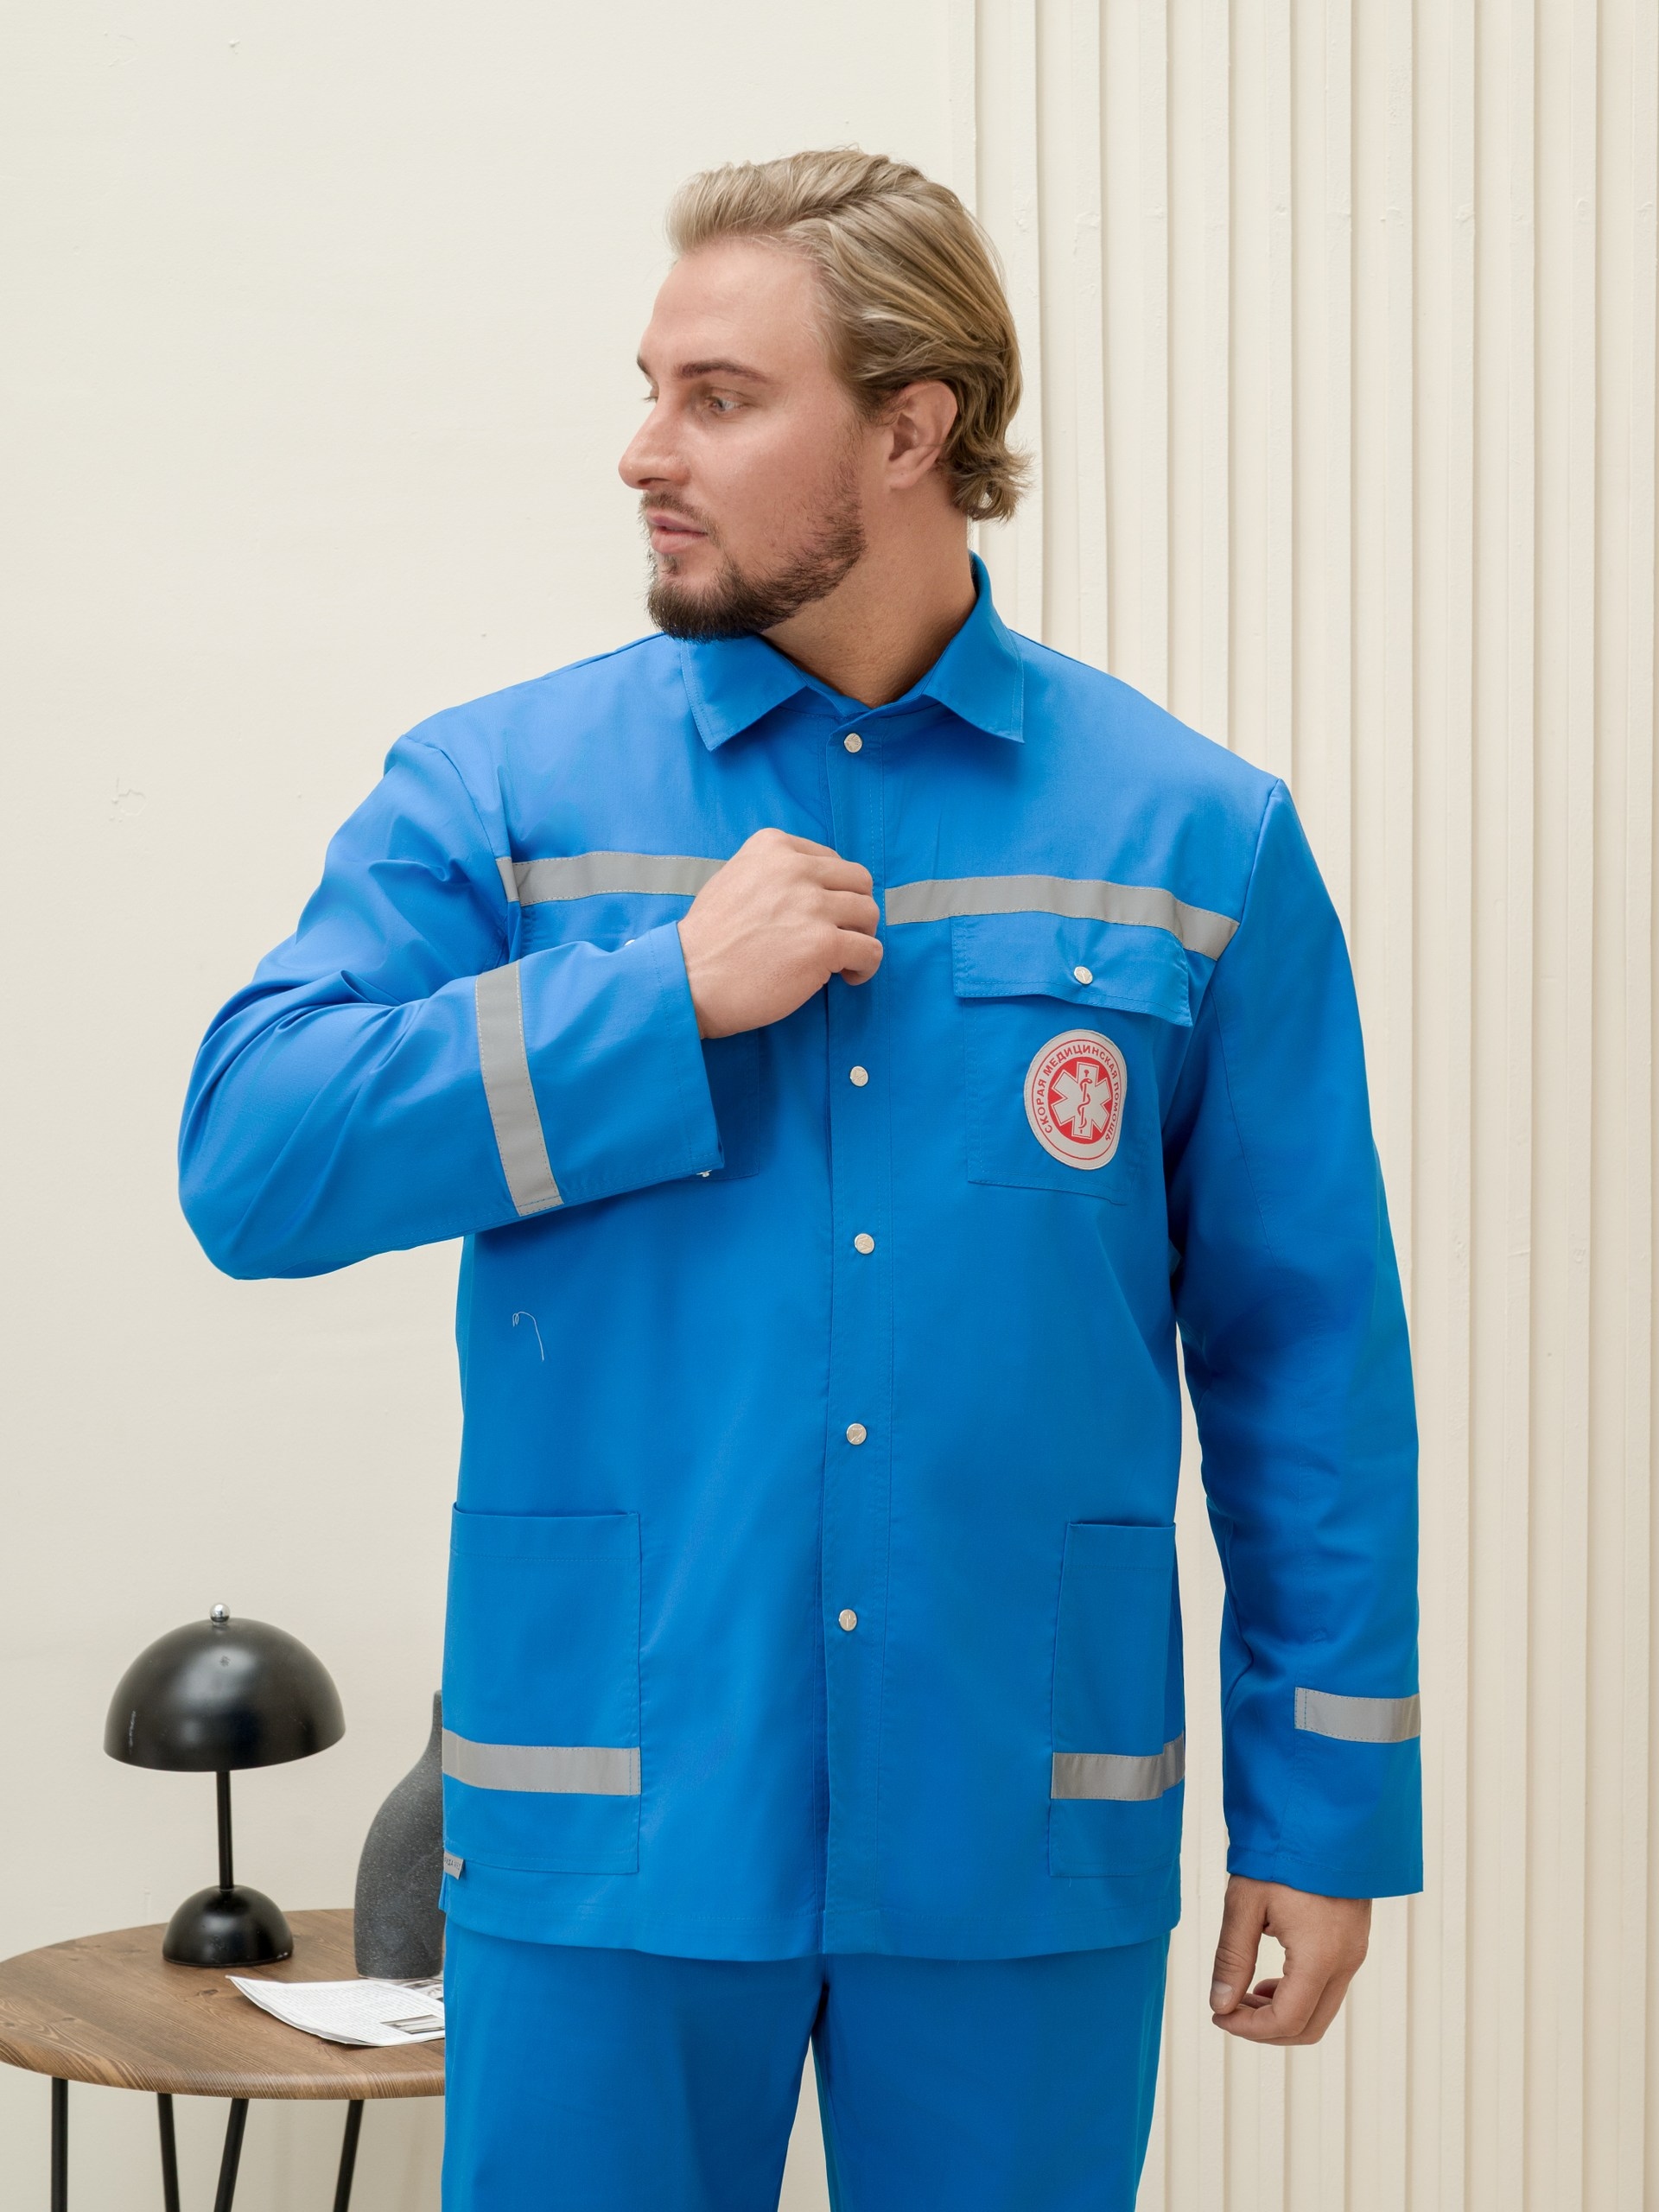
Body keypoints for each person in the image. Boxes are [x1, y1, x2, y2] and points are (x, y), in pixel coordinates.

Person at [179, 149, 1421, 2212]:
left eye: (721, 398)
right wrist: (658, 999)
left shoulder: (1195, 839)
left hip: (1018, 1811)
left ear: (913, 427)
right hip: (611, 1809)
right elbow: (254, 1155)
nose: (643, 451)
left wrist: (1328, 1804)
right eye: (650, 387)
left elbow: (1310, 1361)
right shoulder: (500, 793)